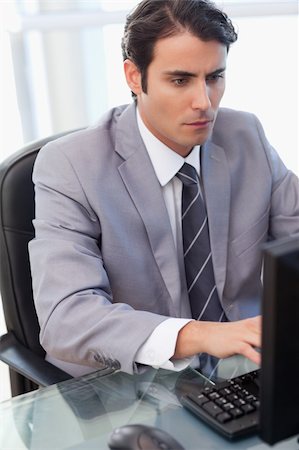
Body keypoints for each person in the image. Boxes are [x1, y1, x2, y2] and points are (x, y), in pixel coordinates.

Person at [29, 0, 299, 377]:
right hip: (129, 390)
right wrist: (199, 335)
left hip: (245, 370)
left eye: (214, 77)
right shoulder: (71, 166)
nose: (204, 102)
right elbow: (66, 318)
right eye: (180, 80)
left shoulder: (246, 136)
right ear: (135, 77)